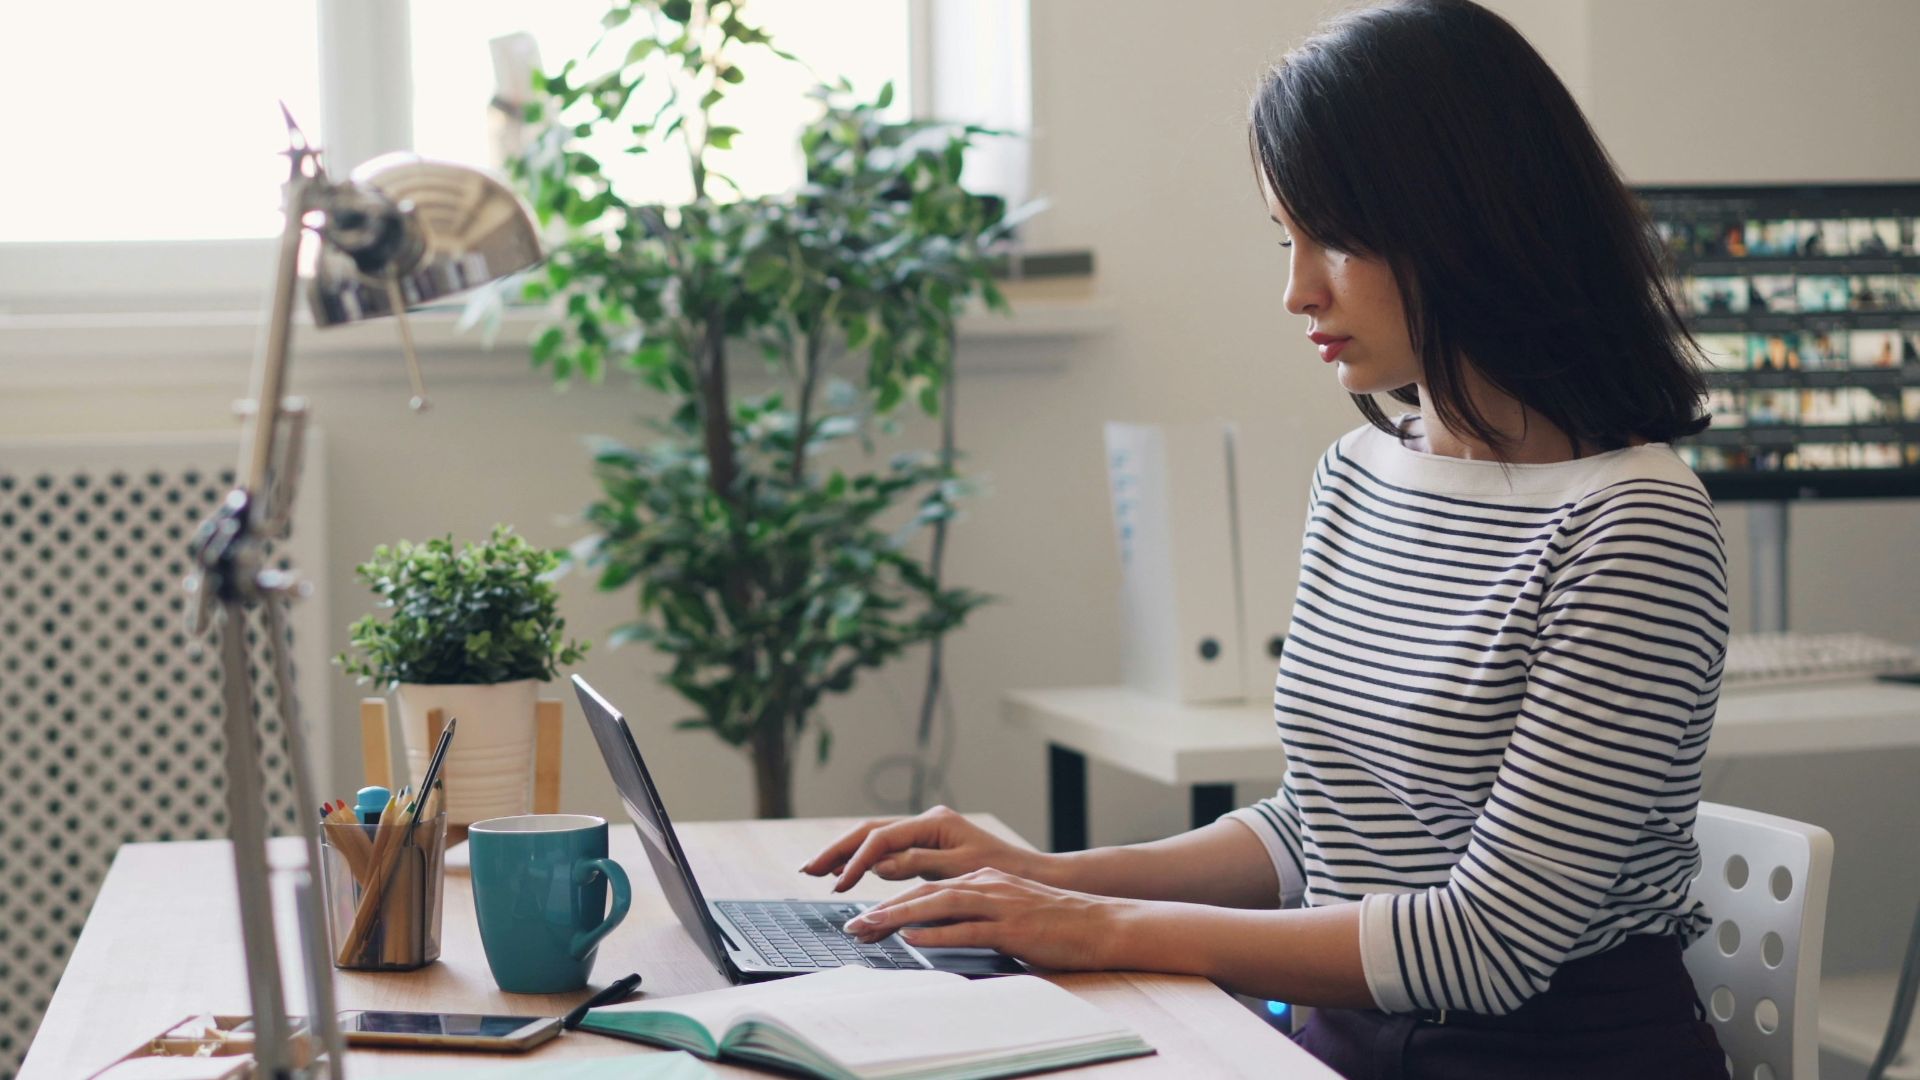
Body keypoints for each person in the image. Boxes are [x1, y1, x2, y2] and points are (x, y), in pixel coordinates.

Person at [801, 1, 1731, 1076]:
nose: (1296, 290)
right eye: (1285, 239)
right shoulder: (1360, 477)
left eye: (1332, 238)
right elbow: (1317, 832)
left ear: (1468, 222)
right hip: (1341, 1040)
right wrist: (1051, 876)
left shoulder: (1634, 522)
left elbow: (1489, 945)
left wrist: (1093, 930)